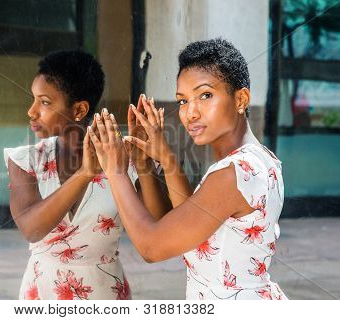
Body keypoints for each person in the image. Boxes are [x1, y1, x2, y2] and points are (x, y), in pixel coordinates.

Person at [88, 38, 288, 300]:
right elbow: (181, 225)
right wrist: (149, 161)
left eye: (205, 95)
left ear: (241, 98)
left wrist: (115, 170)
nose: (190, 113)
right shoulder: (260, 159)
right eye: (182, 101)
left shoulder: (234, 173)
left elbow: (152, 246)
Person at [3, 50, 168, 300]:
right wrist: (86, 172)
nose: (32, 111)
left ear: (79, 109)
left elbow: (159, 227)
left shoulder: (122, 156)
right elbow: (32, 229)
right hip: (43, 293)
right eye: (34, 99)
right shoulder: (25, 160)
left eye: (45, 102)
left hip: (105, 294)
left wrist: (143, 162)